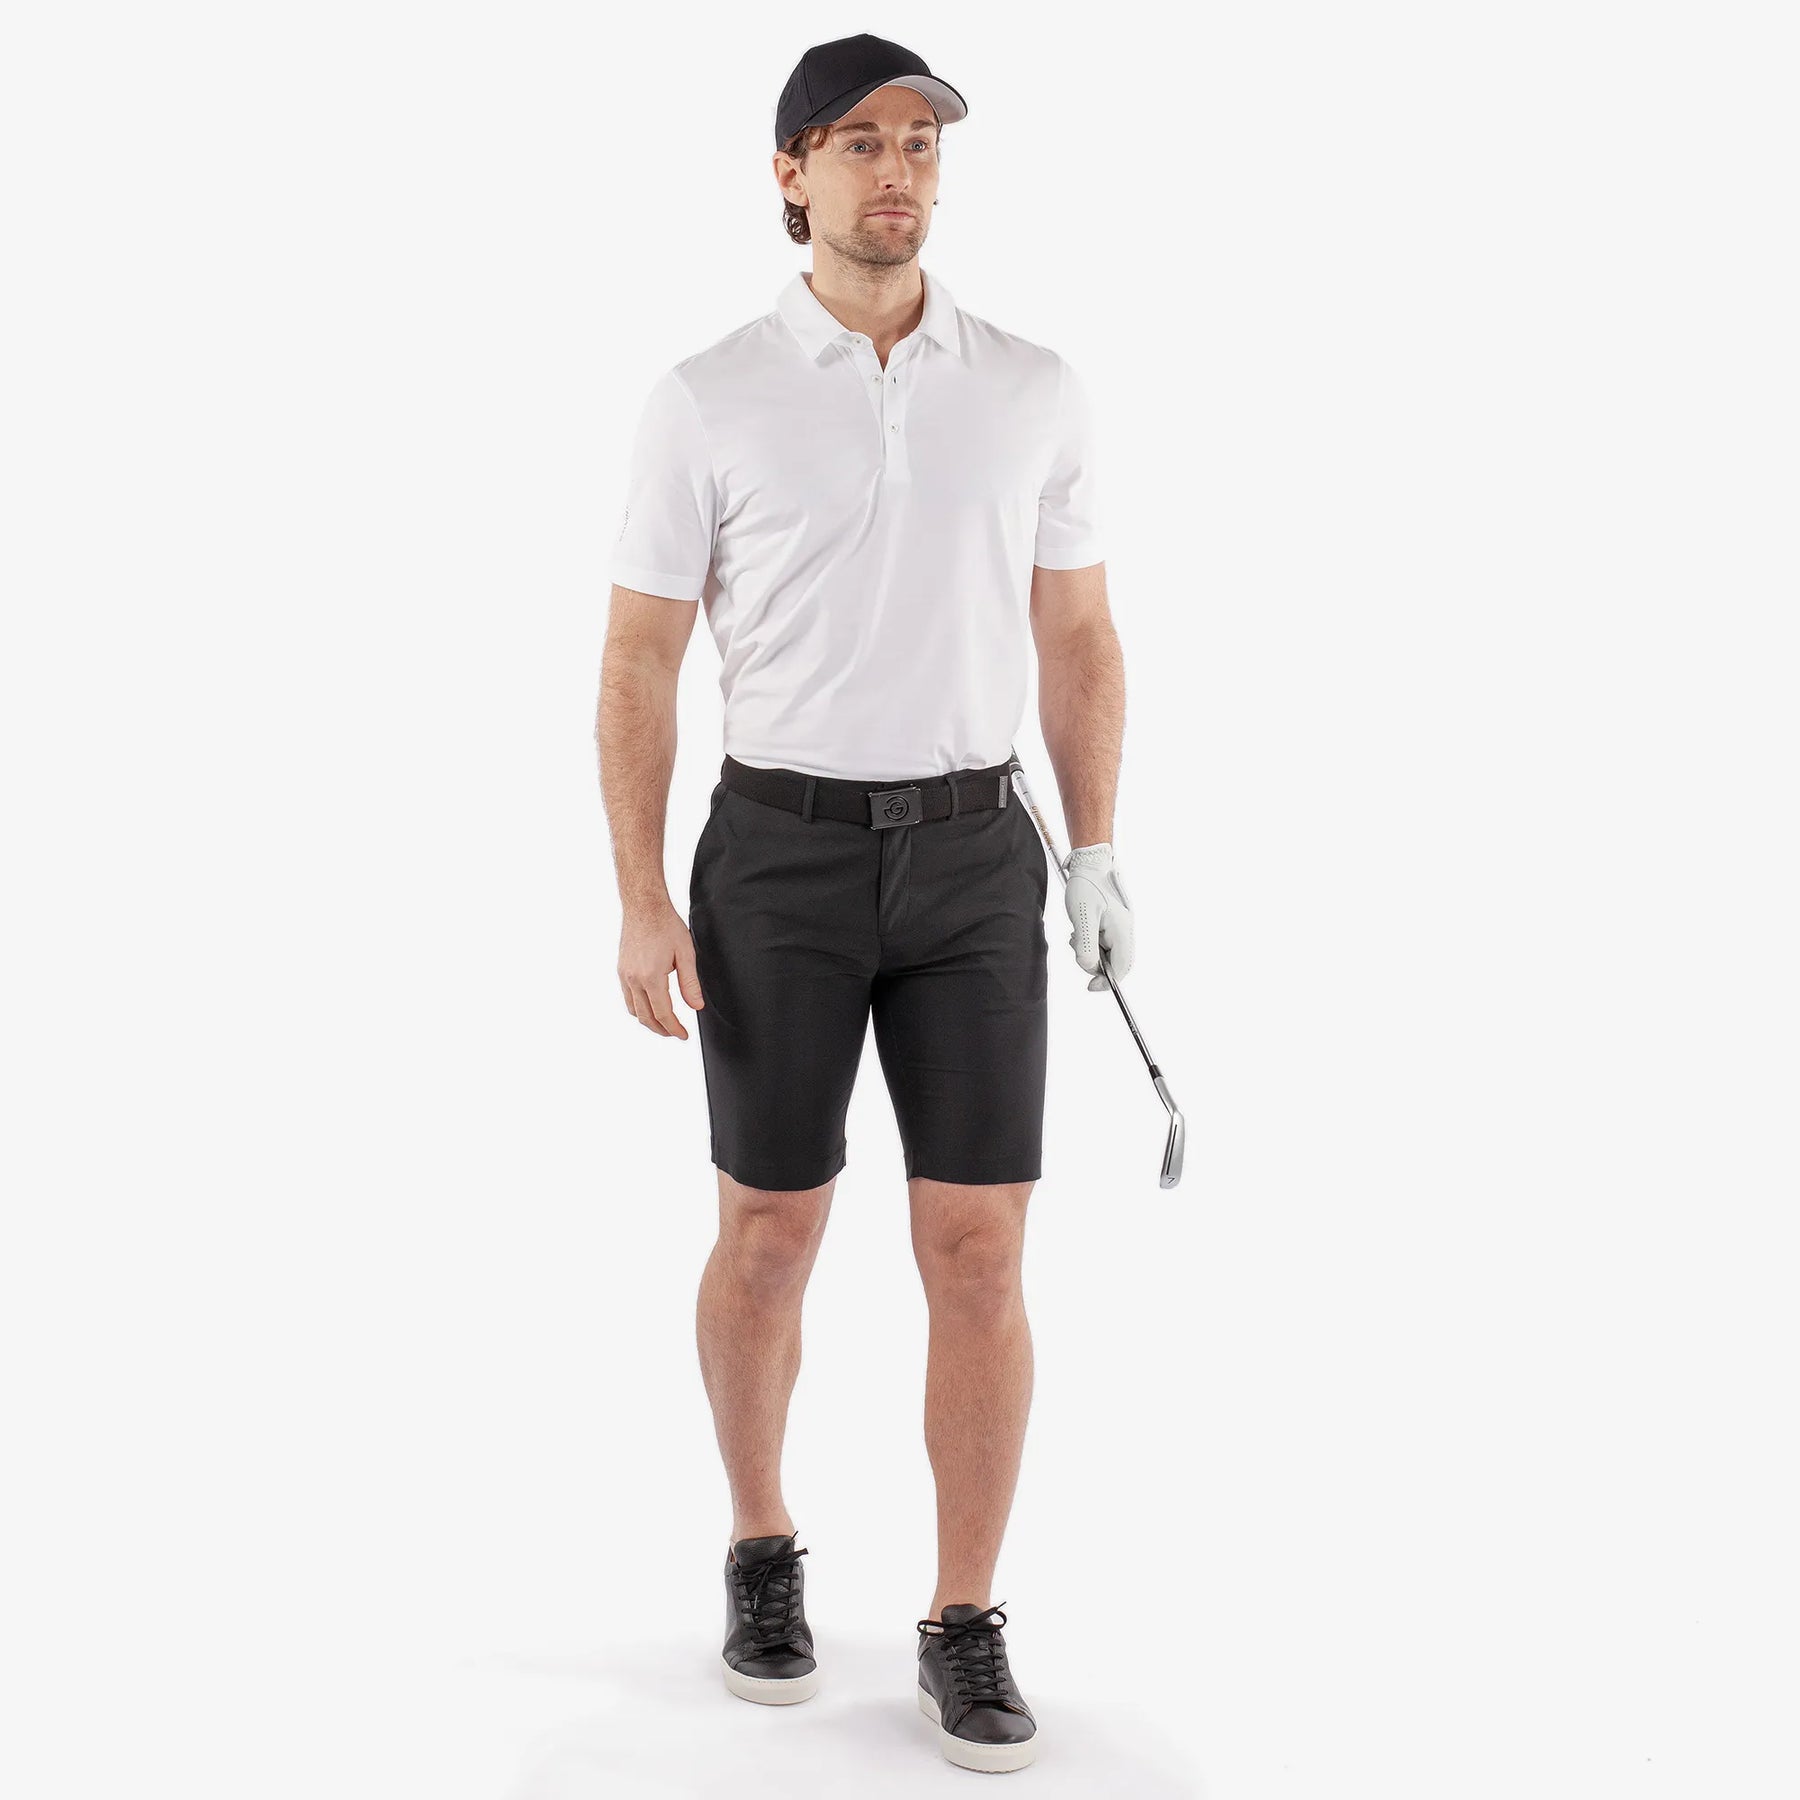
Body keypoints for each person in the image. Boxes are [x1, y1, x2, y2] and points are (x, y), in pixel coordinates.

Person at [596, 32, 1136, 1775]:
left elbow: (1078, 632)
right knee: (770, 1228)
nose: (897, 171)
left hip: (978, 858)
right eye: (859, 143)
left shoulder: (1031, 385)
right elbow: (639, 657)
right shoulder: (709, 395)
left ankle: (964, 1617)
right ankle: (762, 1545)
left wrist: (1099, 850)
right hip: (779, 855)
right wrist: (639, 896)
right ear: (791, 174)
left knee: (979, 1249)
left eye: (921, 144)